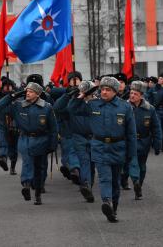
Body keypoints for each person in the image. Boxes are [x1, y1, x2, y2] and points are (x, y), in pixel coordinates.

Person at [68, 76, 138, 223]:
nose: (104, 92)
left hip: (118, 147)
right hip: (99, 146)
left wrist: (131, 154)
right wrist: (82, 94)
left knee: (115, 180)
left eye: (108, 90)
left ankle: (114, 209)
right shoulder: (93, 104)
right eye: (102, 89)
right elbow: (72, 109)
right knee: (104, 177)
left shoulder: (125, 107)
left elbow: (131, 133)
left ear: (115, 91)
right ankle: (107, 201)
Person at [0, 82, 58, 205]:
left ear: (38, 94)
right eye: (26, 91)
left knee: (39, 169)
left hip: (41, 141)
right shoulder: (18, 105)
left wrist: (53, 144)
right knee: (27, 162)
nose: (27, 93)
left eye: (30, 91)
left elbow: (53, 128)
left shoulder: (47, 107)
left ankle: (38, 193)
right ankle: (26, 184)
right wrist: (12, 95)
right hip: (25, 139)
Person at [53, 80, 97, 203]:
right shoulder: (73, 104)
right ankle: (86, 185)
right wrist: (68, 94)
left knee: (92, 164)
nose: (88, 93)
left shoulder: (98, 102)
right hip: (79, 137)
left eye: (90, 91)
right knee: (84, 162)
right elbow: (57, 108)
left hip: (95, 138)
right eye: (85, 90)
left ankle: (89, 186)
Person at [125, 81, 162, 200]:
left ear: (141, 95)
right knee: (133, 162)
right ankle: (135, 180)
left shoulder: (149, 109)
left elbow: (156, 127)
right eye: (131, 93)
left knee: (142, 166)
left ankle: (138, 187)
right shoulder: (124, 107)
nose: (132, 96)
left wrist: (157, 144)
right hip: (129, 141)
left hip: (144, 141)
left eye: (135, 94)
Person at [0, 79, 19, 174]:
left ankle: (12, 167)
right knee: (2, 141)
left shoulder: (17, 96)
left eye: (9, 86)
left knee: (13, 147)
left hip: (14, 123)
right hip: (2, 122)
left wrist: (13, 95)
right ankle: (3, 158)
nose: (7, 87)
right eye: (5, 86)